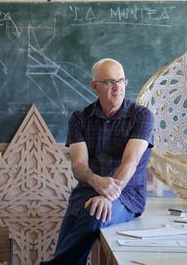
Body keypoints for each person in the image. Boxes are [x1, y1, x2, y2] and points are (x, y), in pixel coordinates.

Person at [41, 58, 154, 265]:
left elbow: (130, 163)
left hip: (126, 196)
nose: (117, 87)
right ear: (95, 86)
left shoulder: (141, 116)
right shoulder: (80, 118)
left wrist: (108, 196)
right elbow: (79, 166)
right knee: (69, 241)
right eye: (110, 82)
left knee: (96, 214)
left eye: (121, 81)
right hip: (85, 193)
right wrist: (96, 182)